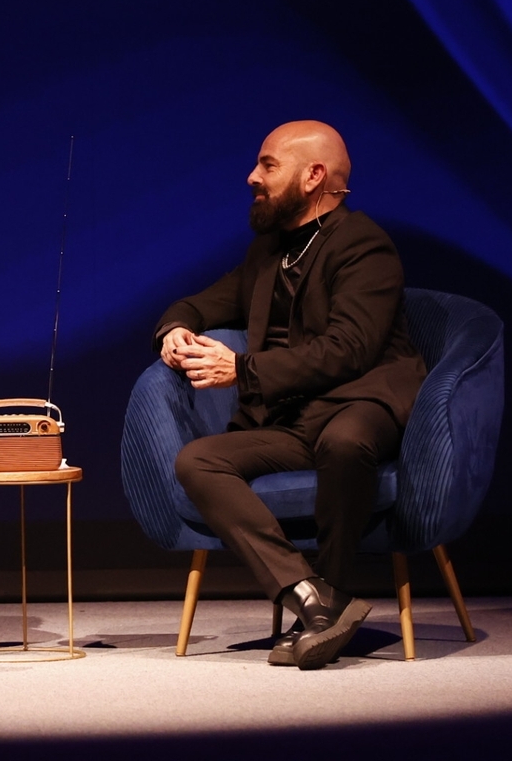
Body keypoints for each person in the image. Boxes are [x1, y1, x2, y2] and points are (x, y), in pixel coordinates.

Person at [155, 121, 427, 670]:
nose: (252, 176)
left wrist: (243, 370)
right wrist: (174, 329)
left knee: (347, 441)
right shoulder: (269, 252)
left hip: (357, 403)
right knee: (198, 460)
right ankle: (314, 599)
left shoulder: (364, 245)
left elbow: (347, 349)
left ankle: (333, 590)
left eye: (268, 165)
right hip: (290, 421)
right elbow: (203, 303)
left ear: (314, 176)